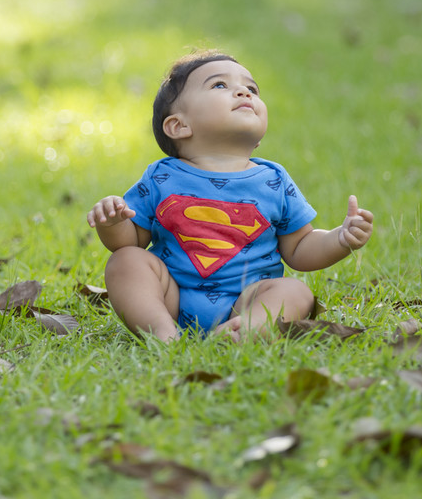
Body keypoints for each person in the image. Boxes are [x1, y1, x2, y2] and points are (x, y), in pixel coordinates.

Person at [87, 51, 374, 342]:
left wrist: (339, 238)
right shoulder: (162, 176)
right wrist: (111, 224)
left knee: (296, 292)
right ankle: (161, 332)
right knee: (125, 262)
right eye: (219, 86)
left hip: (247, 300)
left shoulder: (274, 180)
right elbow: (130, 242)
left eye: (252, 89)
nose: (243, 92)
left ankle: (242, 331)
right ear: (179, 126)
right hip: (171, 297)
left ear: (259, 134)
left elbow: (299, 248)